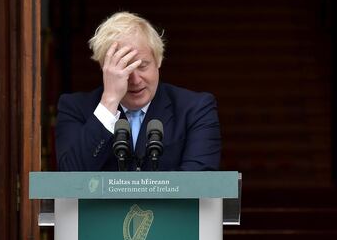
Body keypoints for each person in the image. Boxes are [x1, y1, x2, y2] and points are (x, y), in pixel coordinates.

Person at [55, 11, 221, 171]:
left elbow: (200, 181)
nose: (135, 80)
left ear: (159, 60)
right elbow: (70, 177)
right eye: (124, 68)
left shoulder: (195, 109)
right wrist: (109, 102)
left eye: (142, 66)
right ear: (105, 68)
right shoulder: (74, 108)